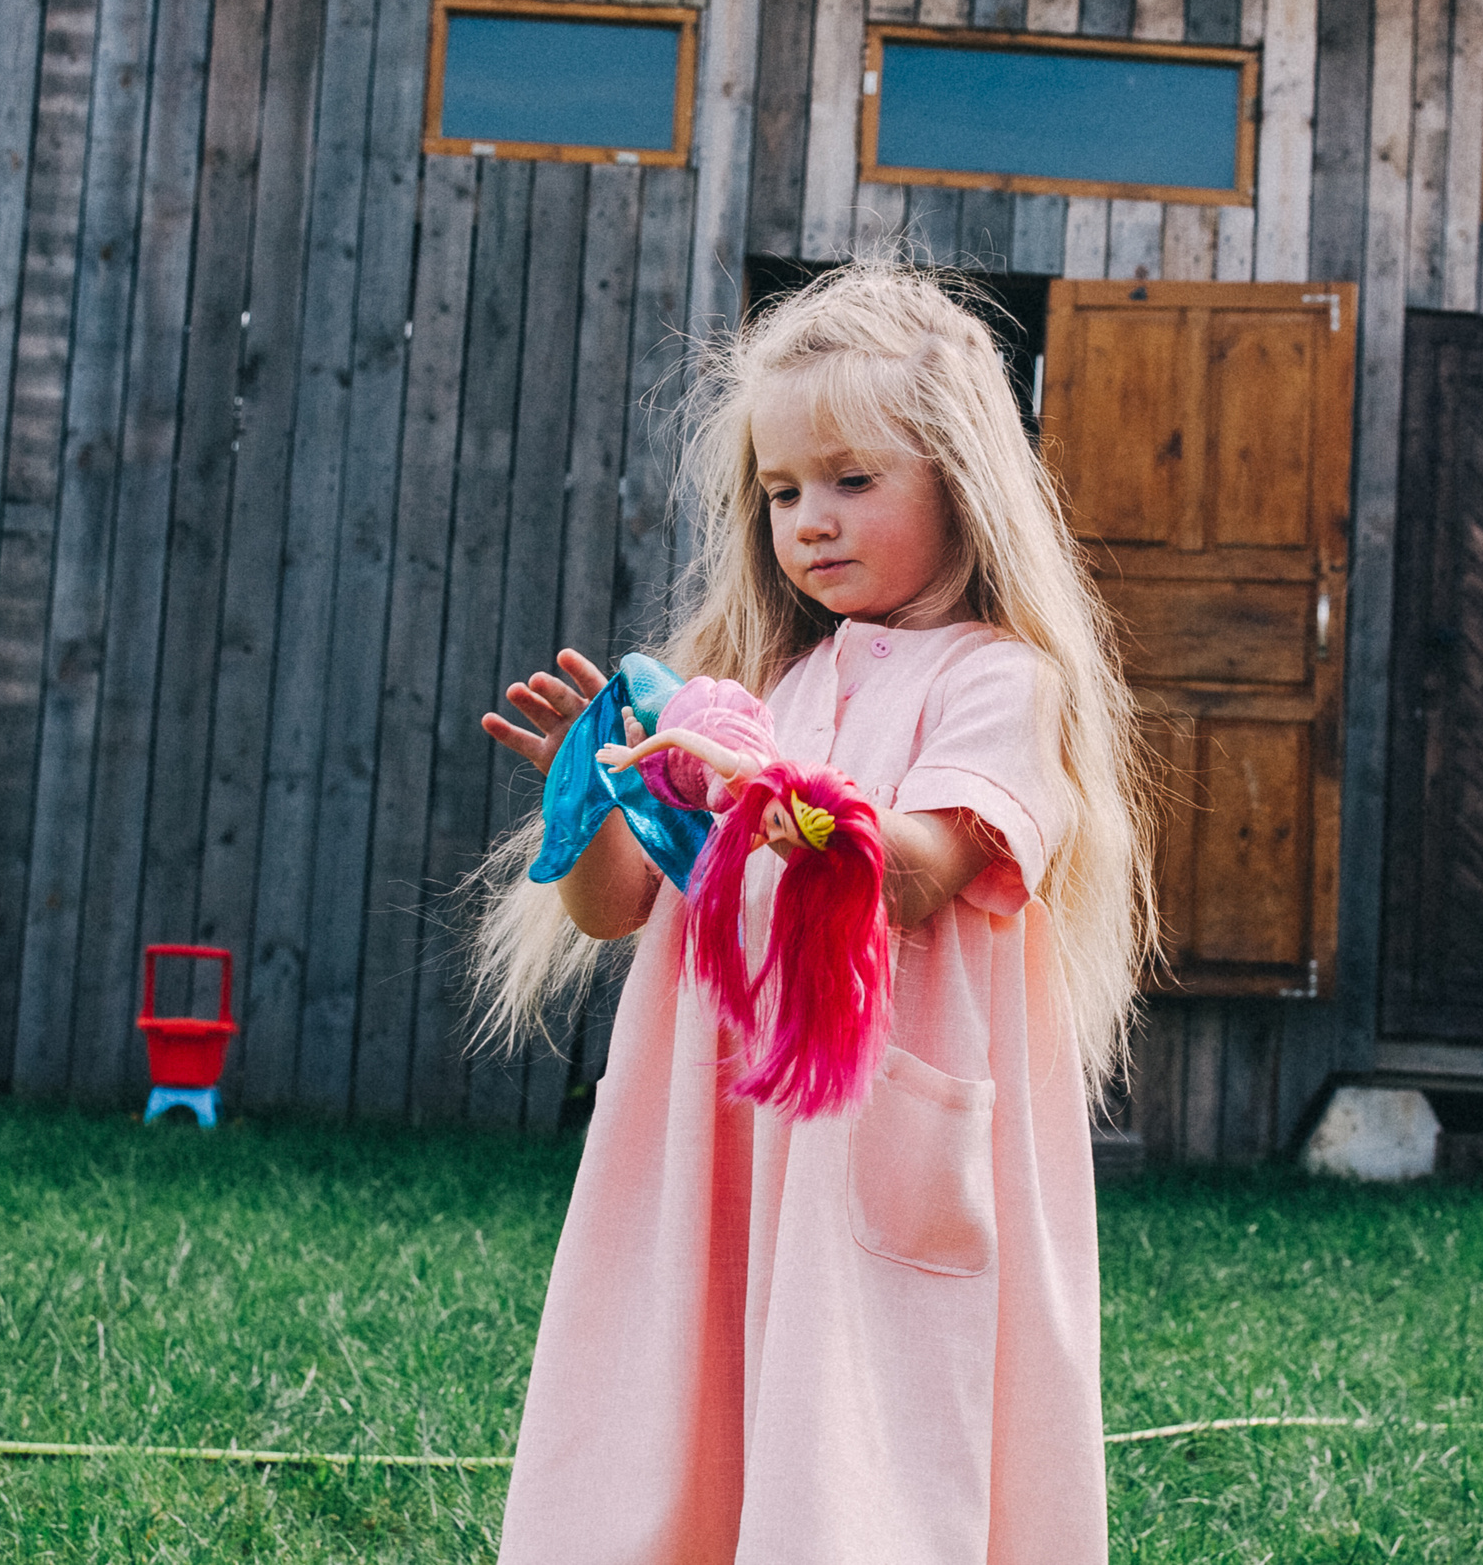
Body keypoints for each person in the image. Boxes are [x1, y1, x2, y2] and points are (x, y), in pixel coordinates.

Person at [469, 261, 1154, 1564]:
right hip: (712, 1133)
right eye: (782, 492)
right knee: (683, 1419)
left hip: (869, 1139)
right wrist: (594, 801)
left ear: (961, 480)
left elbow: (918, 870)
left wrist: (767, 792)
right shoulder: (758, 686)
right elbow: (618, 908)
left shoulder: (1001, 684)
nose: (810, 521)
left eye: (852, 480)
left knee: (863, 1441)